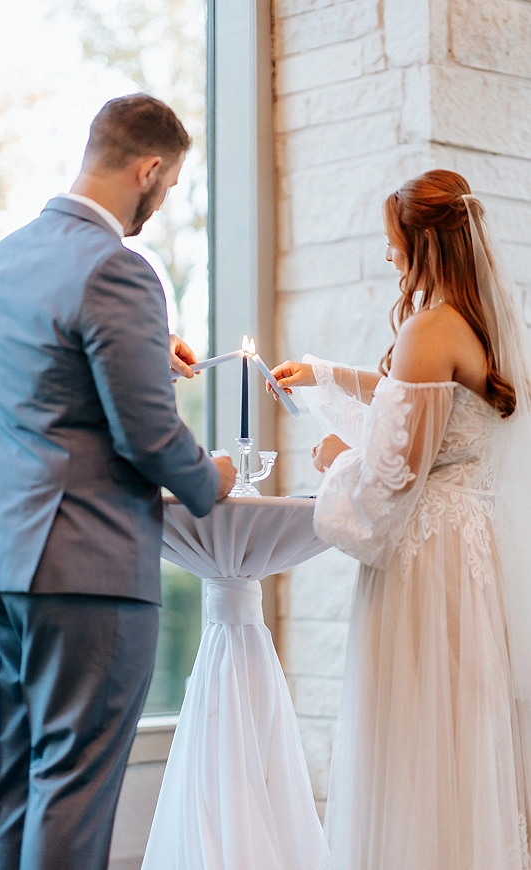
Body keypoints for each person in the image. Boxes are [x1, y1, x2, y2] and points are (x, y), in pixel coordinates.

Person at [0, 93, 236, 870]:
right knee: (74, 792)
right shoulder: (118, 267)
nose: (163, 200)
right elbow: (146, 437)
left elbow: (51, 392)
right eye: (170, 185)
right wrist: (209, 474)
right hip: (84, 569)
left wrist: (147, 353)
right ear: (149, 168)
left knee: (22, 782)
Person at [270, 170, 531, 870]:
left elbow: (395, 476)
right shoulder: (479, 326)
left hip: (428, 556)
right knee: (459, 728)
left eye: (394, 243)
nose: (389, 257)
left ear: (424, 244)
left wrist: (334, 458)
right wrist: (325, 374)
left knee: (414, 729)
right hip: (469, 547)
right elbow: (420, 399)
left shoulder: (427, 328)